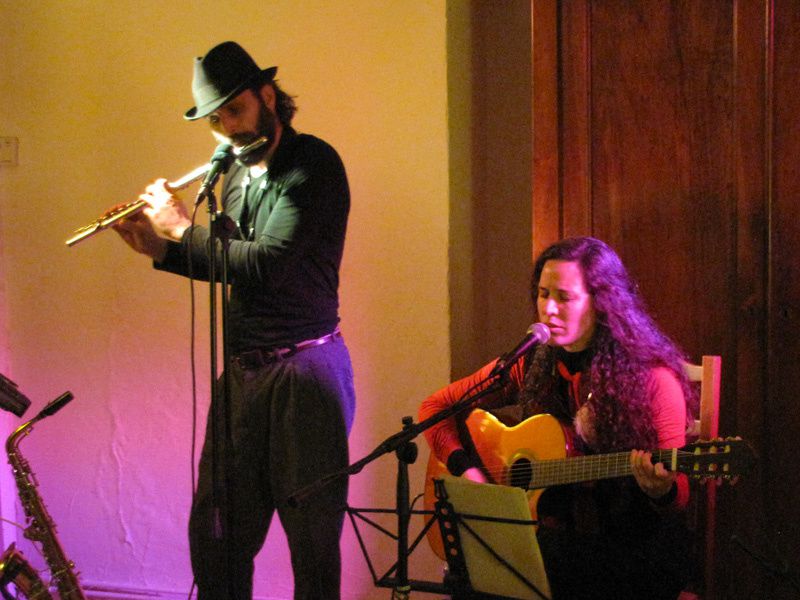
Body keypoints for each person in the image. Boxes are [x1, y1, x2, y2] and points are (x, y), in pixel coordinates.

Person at [114, 41, 356, 600]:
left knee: (312, 546)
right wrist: (161, 249)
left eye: (235, 111)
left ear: (267, 96)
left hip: (306, 373)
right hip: (245, 375)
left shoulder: (313, 164)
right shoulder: (237, 176)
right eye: (216, 120)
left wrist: (181, 230)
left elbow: (269, 265)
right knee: (216, 536)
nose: (228, 129)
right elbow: (234, 266)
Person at [419, 236, 696, 600]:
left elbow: (677, 497)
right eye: (543, 294)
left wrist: (661, 490)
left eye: (564, 297)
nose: (548, 309)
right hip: (552, 539)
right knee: (470, 574)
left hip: (628, 550)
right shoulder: (532, 363)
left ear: (602, 304)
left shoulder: (652, 379)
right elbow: (435, 408)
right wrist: (469, 472)